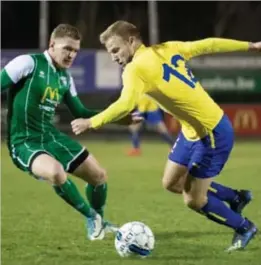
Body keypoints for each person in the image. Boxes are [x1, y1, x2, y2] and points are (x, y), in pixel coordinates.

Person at [71, 21, 260, 251]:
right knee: (171, 182)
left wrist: (91, 122)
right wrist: (250, 46)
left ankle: (244, 226)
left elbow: (125, 104)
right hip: (192, 131)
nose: (113, 57)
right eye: (110, 52)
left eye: (115, 50)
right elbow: (208, 44)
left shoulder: (135, 69)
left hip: (211, 133)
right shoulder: (166, 48)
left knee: (194, 200)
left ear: (131, 41)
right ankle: (235, 197)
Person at [0, 23, 120, 241]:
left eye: (75, 51)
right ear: (52, 44)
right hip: (24, 142)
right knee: (56, 173)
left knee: (99, 177)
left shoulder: (65, 77)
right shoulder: (28, 63)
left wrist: (116, 117)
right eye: (67, 48)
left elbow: (80, 112)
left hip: (52, 137)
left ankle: (99, 224)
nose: (71, 55)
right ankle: (92, 217)